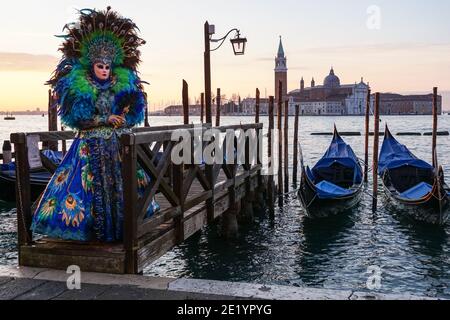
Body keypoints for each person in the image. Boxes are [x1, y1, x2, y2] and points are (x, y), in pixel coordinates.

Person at [32, 7, 159, 242]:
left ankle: (123, 228)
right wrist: (104, 119)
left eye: (107, 67)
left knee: (122, 186)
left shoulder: (121, 85)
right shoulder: (80, 87)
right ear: (92, 65)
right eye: (100, 66)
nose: (104, 70)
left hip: (117, 146)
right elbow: (79, 119)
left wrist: (124, 117)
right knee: (85, 190)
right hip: (89, 147)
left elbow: (132, 113)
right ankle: (92, 231)